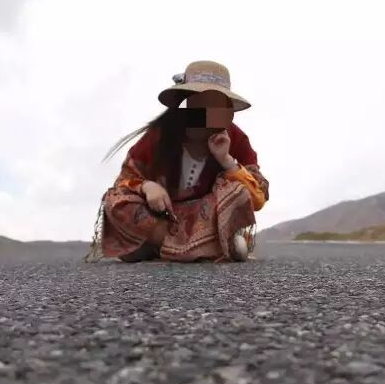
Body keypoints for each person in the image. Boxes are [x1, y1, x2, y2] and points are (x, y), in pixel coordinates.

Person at [84, 61, 269, 263]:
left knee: (237, 192)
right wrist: (147, 186)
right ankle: (198, 248)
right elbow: (123, 183)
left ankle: (165, 247)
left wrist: (226, 160)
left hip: (205, 218)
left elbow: (257, 198)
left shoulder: (236, 138)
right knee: (116, 202)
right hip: (163, 217)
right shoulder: (160, 134)